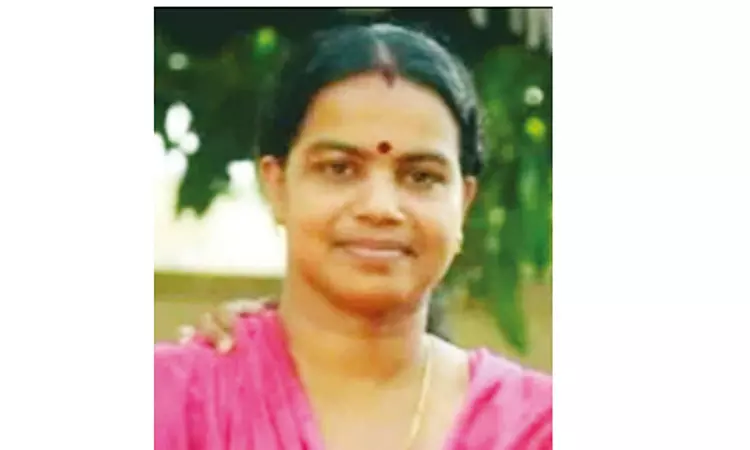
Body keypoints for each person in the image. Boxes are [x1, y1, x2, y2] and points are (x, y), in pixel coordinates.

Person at [155, 23, 552, 450]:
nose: (380, 207)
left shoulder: (536, 426)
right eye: (339, 169)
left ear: (464, 202)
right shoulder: (172, 401)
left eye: (421, 176)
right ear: (276, 185)